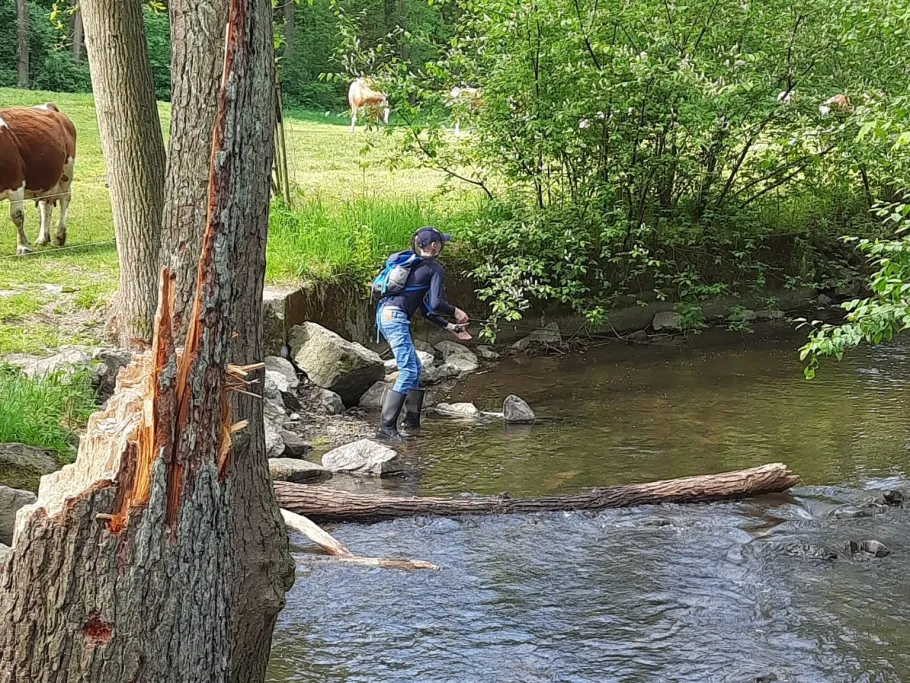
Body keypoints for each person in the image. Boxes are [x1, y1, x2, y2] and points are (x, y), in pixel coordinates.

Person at [376, 227, 471, 441]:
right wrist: (457, 312)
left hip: (388, 315)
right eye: (440, 243)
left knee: (415, 369)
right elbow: (437, 303)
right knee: (409, 370)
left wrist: (452, 328)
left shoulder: (414, 267)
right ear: (434, 246)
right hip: (395, 318)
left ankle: (411, 422)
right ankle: (386, 428)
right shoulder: (434, 268)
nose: (441, 246)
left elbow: (427, 310)